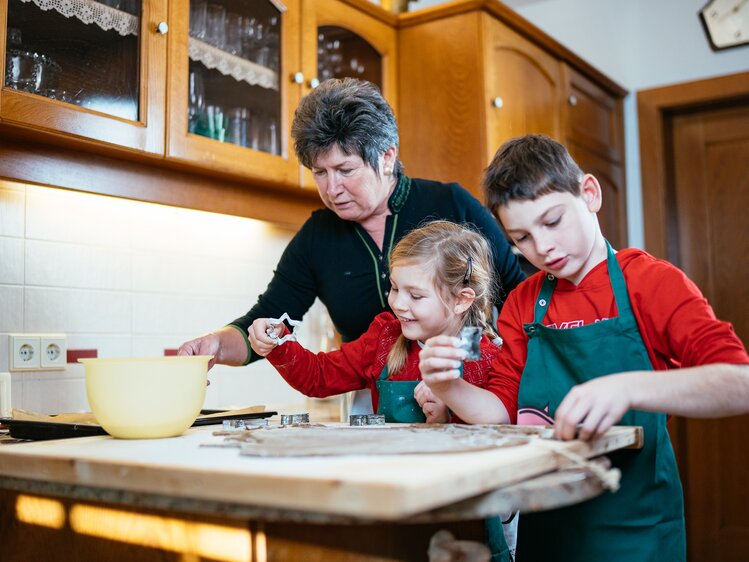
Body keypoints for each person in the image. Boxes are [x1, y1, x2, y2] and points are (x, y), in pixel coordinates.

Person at [418, 134, 749, 562]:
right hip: (548, 527)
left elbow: (739, 383)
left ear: (589, 194)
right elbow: (502, 411)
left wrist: (628, 389)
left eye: (553, 222)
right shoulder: (523, 301)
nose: (543, 248)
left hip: (636, 529)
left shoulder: (649, 282)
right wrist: (447, 387)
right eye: (523, 237)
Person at [178, 79, 525, 384]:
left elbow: (518, 296)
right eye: (320, 172)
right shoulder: (318, 236)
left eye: (345, 169)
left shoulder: (451, 203)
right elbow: (267, 318)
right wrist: (216, 344)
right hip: (367, 396)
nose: (332, 189)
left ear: (387, 157)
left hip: (469, 380)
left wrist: (497, 368)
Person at [248, 220, 515, 426]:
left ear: (461, 300)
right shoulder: (385, 337)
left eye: (416, 295)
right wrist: (278, 342)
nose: (398, 303)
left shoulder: (487, 358)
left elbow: (498, 431)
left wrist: (447, 418)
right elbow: (318, 376)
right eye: (395, 288)